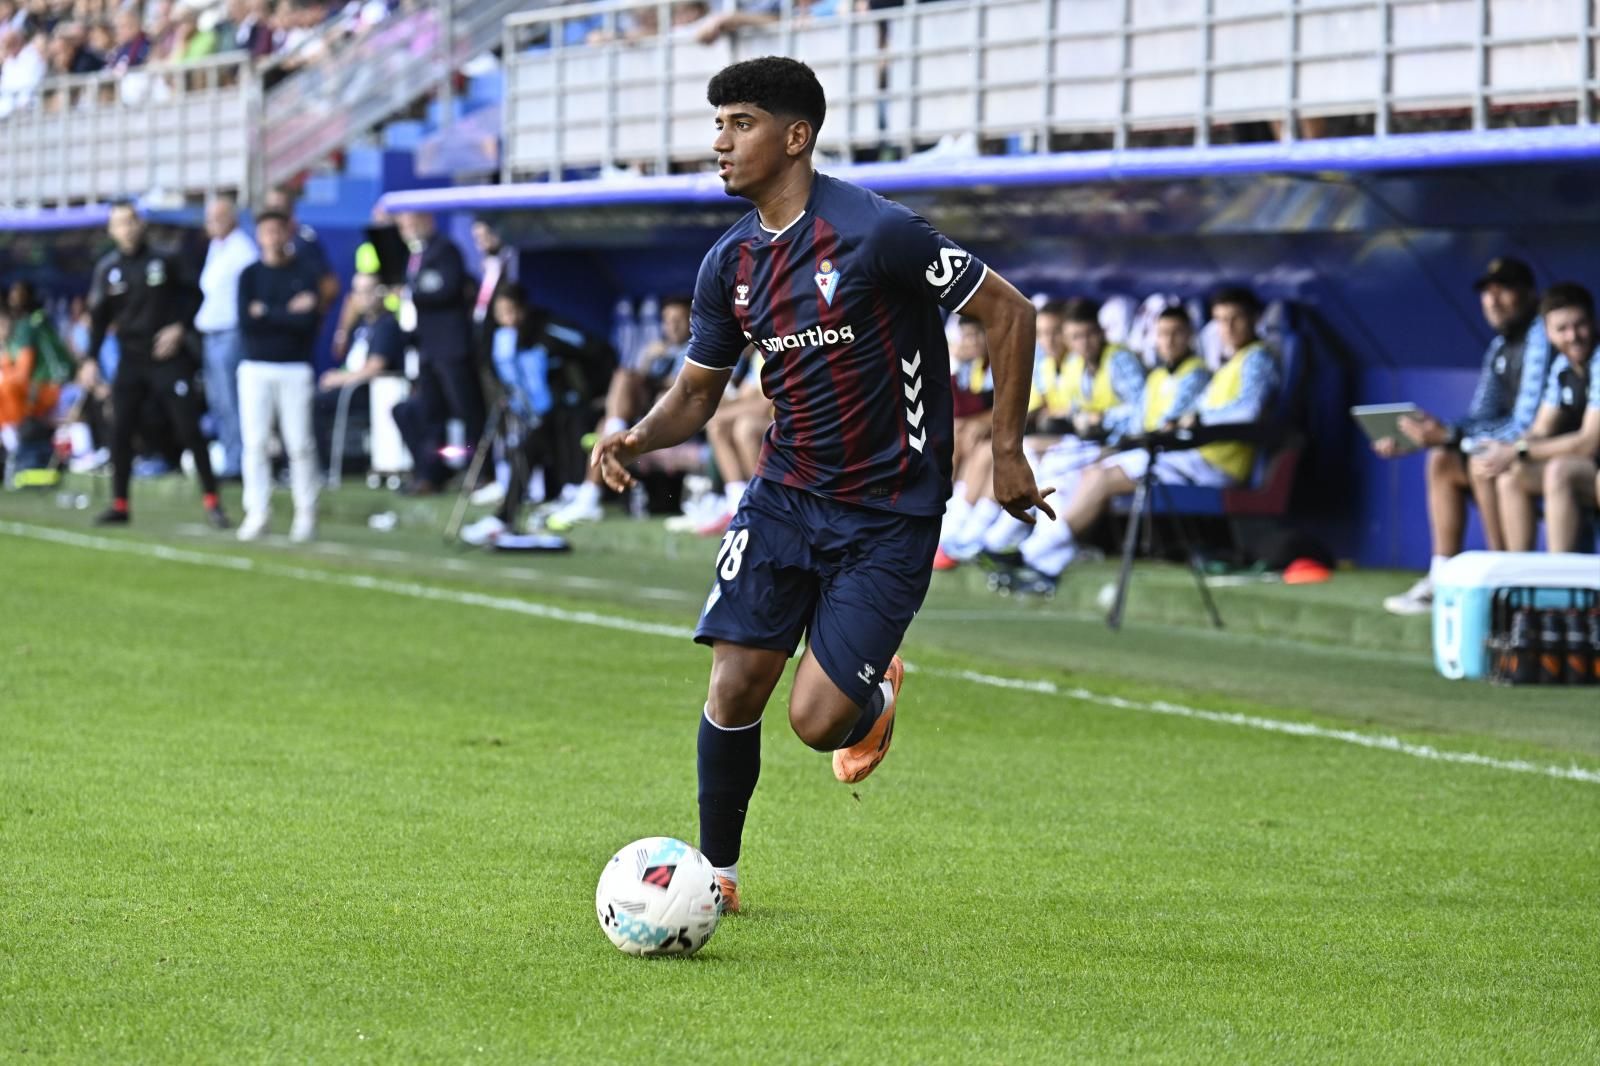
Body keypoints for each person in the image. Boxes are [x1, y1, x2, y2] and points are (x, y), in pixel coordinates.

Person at [588, 57, 1050, 914]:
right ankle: (716, 876)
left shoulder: (879, 234)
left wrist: (1010, 450)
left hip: (891, 512)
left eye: (741, 123)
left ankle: (871, 695)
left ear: (795, 136)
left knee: (815, 724)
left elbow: (1010, 312)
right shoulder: (728, 263)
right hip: (784, 496)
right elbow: (699, 391)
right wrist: (638, 436)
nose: (720, 142)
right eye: (718, 124)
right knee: (733, 684)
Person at [990, 287, 1276, 596]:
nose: (1228, 328)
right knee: (1085, 472)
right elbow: (1148, 418)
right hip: (1185, 455)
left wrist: (1197, 420)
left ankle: (1028, 554)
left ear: (1255, 319)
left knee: (1099, 478)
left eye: (1235, 319)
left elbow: (1248, 409)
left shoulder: (1256, 358)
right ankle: (1045, 565)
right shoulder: (1223, 364)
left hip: (1212, 462)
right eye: (1221, 320)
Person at [1376, 256, 1550, 614]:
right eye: (1487, 293)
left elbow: (1525, 424)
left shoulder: (1541, 336)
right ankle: (1442, 575)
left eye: (1504, 291)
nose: (1493, 301)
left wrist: (1451, 434)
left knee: (1477, 457)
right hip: (1515, 449)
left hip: (1545, 452)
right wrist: (1427, 433)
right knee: (1443, 458)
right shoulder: (1500, 346)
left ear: (1531, 294)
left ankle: (1503, 580)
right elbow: (1480, 416)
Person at [83, 201, 228, 528]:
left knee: (189, 427)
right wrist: (90, 358)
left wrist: (178, 327)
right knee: (120, 431)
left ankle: (213, 502)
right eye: (120, 223)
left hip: (167, 357)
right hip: (131, 359)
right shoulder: (109, 269)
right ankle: (120, 504)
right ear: (112, 230)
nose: (127, 228)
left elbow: (196, 296)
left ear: (141, 224)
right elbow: (98, 319)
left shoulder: (166, 259)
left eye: (131, 220)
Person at [545, 295, 695, 530]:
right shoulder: (659, 350)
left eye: (678, 319)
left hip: (682, 419)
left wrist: (653, 377)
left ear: (692, 320)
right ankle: (590, 492)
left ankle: (592, 490)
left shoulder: (700, 347)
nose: (672, 326)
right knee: (614, 401)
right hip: (652, 414)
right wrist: (647, 360)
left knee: (624, 386)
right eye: (667, 320)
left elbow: (691, 388)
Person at [1472, 283, 1599, 553]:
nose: (1573, 336)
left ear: (1594, 321)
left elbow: (1588, 443)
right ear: (1548, 333)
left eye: (1580, 325)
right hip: (1590, 471)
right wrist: (1504, 451)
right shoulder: (1563, 367)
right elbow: (1540, 428)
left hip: (1593, 470)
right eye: (1562, 329)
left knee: (1559, 470)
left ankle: (1561, 582)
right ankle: (1518, 580)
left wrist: (1518, 449)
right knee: (1510, 475)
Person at [235, 210, 322, 542]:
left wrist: (268, 313)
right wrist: (285, 312)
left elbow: (307, 322)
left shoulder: (305, 271)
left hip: (295, 367)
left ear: (287, 233)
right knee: (255, 444)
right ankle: (257, 511)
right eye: (266, 230)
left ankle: (306, 513)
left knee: (299, 443)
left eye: (277, 230)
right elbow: (248, 323)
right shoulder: (250, 275)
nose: (272, 237)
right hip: (256, 366)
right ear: (259, 235)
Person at [390, 209, 485, 495]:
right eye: (403, 224)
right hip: (427, 349)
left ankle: (478, 471)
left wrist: (409, 293)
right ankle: (433, 472)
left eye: (412, 221)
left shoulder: (445, 250)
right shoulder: (413, 256)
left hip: (451, 347)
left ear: (427, 220)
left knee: (468, 413)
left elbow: (446, 288)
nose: (407, 228)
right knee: (432, 415)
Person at [194, 194, 258, 480]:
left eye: (219, 218)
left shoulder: (242, 250)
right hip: (212, 334)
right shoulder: (216, 247)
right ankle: (229, 456)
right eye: (210, 219)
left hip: (231, 334)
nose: (213, 224)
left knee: (232, 401)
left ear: (233, 217)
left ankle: (239, 463)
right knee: (219, 400)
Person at [314, 271, 402, 476]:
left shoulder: (386, 324)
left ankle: (323, 466)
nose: (363, 297)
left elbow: (375, 367)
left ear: (381, 293)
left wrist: (338, 379)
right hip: (352, 385)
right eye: (358, 291)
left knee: (315, 402)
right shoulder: (362, 324)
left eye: (368, 291)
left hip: (368, 392)